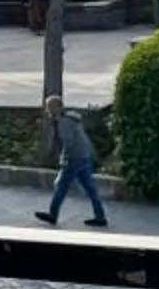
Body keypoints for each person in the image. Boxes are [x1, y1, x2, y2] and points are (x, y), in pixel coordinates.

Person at [37, 95, 107, 227]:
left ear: (59, 107)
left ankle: (53, 215)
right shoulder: (71, 118)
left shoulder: (64, 122)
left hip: (74, 158)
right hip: (83, 156)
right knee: (90, 188)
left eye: (51, 107)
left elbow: (68, 142)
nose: (48, 110)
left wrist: (64, 158)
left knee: (61, 187)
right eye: (48, 107)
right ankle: (100, 216)